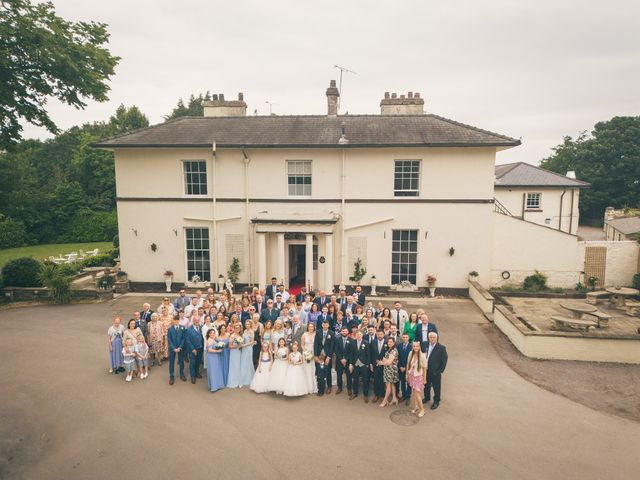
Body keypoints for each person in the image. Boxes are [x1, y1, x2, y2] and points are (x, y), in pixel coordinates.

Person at [424, 332, 447, 409]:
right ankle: (427, 397)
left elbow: (444, 361)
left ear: (436, 338)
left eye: (434, 337)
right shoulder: (425, 345)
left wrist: (439, 371)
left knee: (436, 388)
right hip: (425, 371)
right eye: (430, 337)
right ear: (428, 338)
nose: (432, 339)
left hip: (435, 372)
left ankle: (436, 401)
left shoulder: (441, 348)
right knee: (426, 386)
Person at [407, 341, 428, 417]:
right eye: (414, 346)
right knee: (413, 392)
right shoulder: (410, 353)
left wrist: (424, 379)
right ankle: (416, 407)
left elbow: (425, 368)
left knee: (417, 394)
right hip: (412, 375)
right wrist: (407, 375)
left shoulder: (422, 356)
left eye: (417, 346)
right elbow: (408, 364)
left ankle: (422, 410)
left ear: (419, 347)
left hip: (418, 377)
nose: (415, 348)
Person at [348, 330, 370, 402]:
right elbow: (351, 354)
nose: (359, 335)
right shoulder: (352, 343)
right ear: (356, 335)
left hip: (364, 364)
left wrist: (367, 364)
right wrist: (351, 364)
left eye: (360, 334)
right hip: (355, 364)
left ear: (362, 335)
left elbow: (368, 355)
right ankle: (355, 393)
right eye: (357, 334)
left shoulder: (366, 343)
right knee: (355, 379)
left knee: (365, 380)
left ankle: (365, 394)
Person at [314, 318, 334, 394]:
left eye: (326, 325)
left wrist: (329, 356)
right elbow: (315, 344)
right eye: (324, 324)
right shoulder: (318, 332)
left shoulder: (331, 333)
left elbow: (332, 345)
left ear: (328, 325)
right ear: (322, 325)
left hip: (327, 355)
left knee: (328, 371)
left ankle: (329, 386)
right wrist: (315, 355)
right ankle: (321, 387)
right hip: (319, 354)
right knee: (320, 371)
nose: (325, 326)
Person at [377, 337, 399, 407]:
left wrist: (381, 363)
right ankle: (394, 398)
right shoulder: (389, 349)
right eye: (388, 342)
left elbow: (389, 362)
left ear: (394, 343)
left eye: (391, 342)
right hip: (387, 369)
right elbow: (386, 359)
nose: (389, 343)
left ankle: (384, 401)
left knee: (388, 386)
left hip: (391, 370)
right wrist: (384, 360)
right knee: (392, 385)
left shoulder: (393, 351)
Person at [167, 315, 187, 385]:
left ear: (179, 320)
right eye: (175, 320)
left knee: (181, 361)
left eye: (177, 320)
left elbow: (184, 338)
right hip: (172, 348)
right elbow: (169, 339)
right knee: (171, 362)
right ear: (173, 321)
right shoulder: (170, 329)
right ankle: (171, 376)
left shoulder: (183, 328)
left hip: (180, 348)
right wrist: (173, 348)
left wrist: (180, 347)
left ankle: (182, 374)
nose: (176, 322)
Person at [206, 327, 227, 392]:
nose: (212, 334)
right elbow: (209, 350)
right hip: (212, 357)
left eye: (213, 333)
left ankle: (216, 385)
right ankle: (214, 387)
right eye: (211, 333)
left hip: (215, 357)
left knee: (215, 371)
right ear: (209, 334)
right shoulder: (210, 340)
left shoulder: (212, 339)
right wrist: (218, 351)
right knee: (213, 371)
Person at [370, 329, 387, 403]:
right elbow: (371, 353)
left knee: (383, 380)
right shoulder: (373, 342)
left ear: (383, 335)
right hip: (375, 364)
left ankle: (382, 395)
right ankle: (376, 394)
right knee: (376, 380)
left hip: (384, 365)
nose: (379, 336)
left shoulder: (387, 342)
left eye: (381, 334)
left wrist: (384, 361)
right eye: (378, 334)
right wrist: (371, 364)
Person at [185, 315, 204, 384]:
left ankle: (197, 373)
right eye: (195, 320)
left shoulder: (202, 328)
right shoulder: (189, 329)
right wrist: (193, 349)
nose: (197, 321)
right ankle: (193, 377)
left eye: (198, 320)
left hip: (200, 348)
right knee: (192, 363)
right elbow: (187, 340)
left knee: (198, 362)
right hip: (192, 349)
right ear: (193, 321)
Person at [334, 327, 352, 395]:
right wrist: (341, 359)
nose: (344, 332)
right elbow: (336, 350)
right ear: (341, 332)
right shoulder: (337, 339)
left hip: (348, 361)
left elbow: (351, 352)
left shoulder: (351, 340)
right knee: (339, 375)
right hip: (339, 361)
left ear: (348, 332)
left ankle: (349, 388)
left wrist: (346, 359)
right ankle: (339, 387)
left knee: (349, 375)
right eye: (343, 331)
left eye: (345, 331)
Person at [239, 319, 256, 387]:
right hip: (244, 348)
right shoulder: (245, 331)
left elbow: (252, 342)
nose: (247, 325)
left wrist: (244, 345)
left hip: (248, 349)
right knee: (243, 362)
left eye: (248, 324)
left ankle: (248, 379)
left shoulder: (252, 332)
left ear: (250, 325)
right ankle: (243, 378)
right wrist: (241, 343)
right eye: (246, 324)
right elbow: (243, 340)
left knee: (248, 362)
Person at [301, 322, 317, 394]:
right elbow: (302, 345)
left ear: (314, 327)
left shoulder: (316, 334)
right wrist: (307, 353)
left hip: (314, 353)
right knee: (306, 369)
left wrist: (313, 354)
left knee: (312, 370)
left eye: (312, 327)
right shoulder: (304, 334)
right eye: (309, 327)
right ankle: (306, 387)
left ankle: (313, 386)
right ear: (308, 327)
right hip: (306, 353)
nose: (311, 328)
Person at [227, 323, 244, 388]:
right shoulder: (232, 336)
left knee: (238, 365)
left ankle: (238, 380)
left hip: (239, 352)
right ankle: (234, 381)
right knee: (234, 366)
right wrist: (237, 346)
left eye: (239, 328)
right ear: (234, 329)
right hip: (234, 352)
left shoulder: (240, 335)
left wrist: (240, 345)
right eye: (236, 328)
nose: (237, 329)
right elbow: (230, 346)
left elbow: (241, 344)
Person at [397, 333, 412, 404]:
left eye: (406, 337)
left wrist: (406, 367)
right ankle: (403, 395)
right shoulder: (399, 346)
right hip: (400, 367)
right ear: (402, 338)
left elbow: (412, 359)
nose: (405, 338)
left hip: (408, 368)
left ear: (408, 338)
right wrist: (400, 366)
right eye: (404, 337)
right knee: (402, 382)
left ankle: (408, 396)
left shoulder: (411, 347)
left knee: (409, 383)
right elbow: (398, 357)